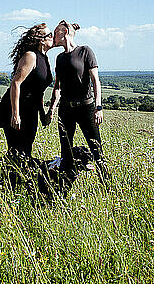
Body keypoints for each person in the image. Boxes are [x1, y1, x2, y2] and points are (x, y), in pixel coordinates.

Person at [45, 20, 111, 191]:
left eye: (55, 33)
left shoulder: (85, 51)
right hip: (66, 110)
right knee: (66, 151)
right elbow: (57, 87)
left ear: (64, 32)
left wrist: (98, 107)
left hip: (86, 108)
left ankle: (108, 188)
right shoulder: (59, 58)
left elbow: (96, 81)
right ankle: (63, 189)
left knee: (96, 148)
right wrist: (51, 110)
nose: (53, 37)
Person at [0, 23, 54, 190]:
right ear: (41, 40)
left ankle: (15, 186)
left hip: (31, 110)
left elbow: (39, 91)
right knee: (17, 150)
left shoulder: (44, 58)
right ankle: (8, 188)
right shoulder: (30, 56)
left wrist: (43, 114)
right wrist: (15, 113)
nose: (52, 37)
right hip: (17, 109)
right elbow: (16, 83)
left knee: (25, 150)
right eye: (49, 35)